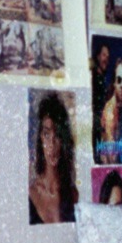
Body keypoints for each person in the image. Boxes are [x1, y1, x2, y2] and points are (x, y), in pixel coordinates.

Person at [29, 94, 78, 224]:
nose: (52, 144)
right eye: (46, 134)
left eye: (57, 135)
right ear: (40, 137)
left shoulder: (74, 195)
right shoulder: (30, 195)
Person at [97, 59, 122, 164]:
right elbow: (112, 158)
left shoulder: (120, 107)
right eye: (119, 80)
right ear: (114, 83)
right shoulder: (110, 112)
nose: (121, 85)